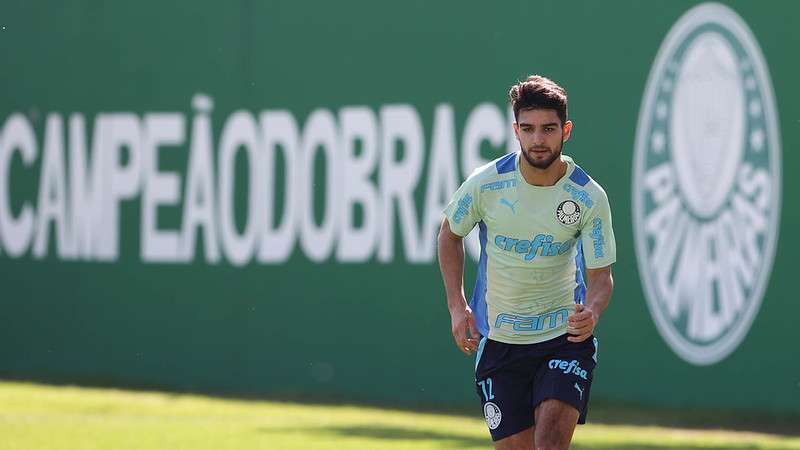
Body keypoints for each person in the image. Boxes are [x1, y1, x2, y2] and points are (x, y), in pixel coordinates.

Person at [437, 75, 616, 450]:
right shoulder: (486, 184)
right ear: (515, 130)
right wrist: (457, 306)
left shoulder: (587, 196)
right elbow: (450, 234)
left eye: (549, 129)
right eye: (529, 129)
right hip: (501, 343)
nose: (539, 140)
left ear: (565, 130)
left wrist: (593, 311)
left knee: (549, 445)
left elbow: (602, 276)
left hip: (564, 338)